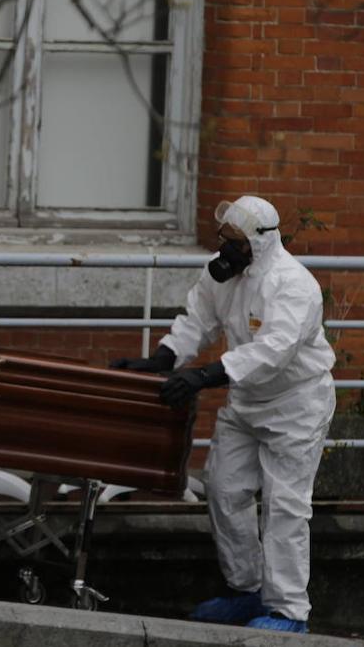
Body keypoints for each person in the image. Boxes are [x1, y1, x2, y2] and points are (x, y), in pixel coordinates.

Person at [110, 196, 336, 634]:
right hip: (246, 400)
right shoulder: (223, 276)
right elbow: (198, 320)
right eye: (223, 240)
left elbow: (272, 352)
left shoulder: (294, 285)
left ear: (262, 242)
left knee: (284, 507)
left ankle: (289, 610)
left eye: (234, 242)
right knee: (224, 489)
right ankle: (246, 589)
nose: (224, 251)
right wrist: (161, 360)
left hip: (296, 405)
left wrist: (204, 376)